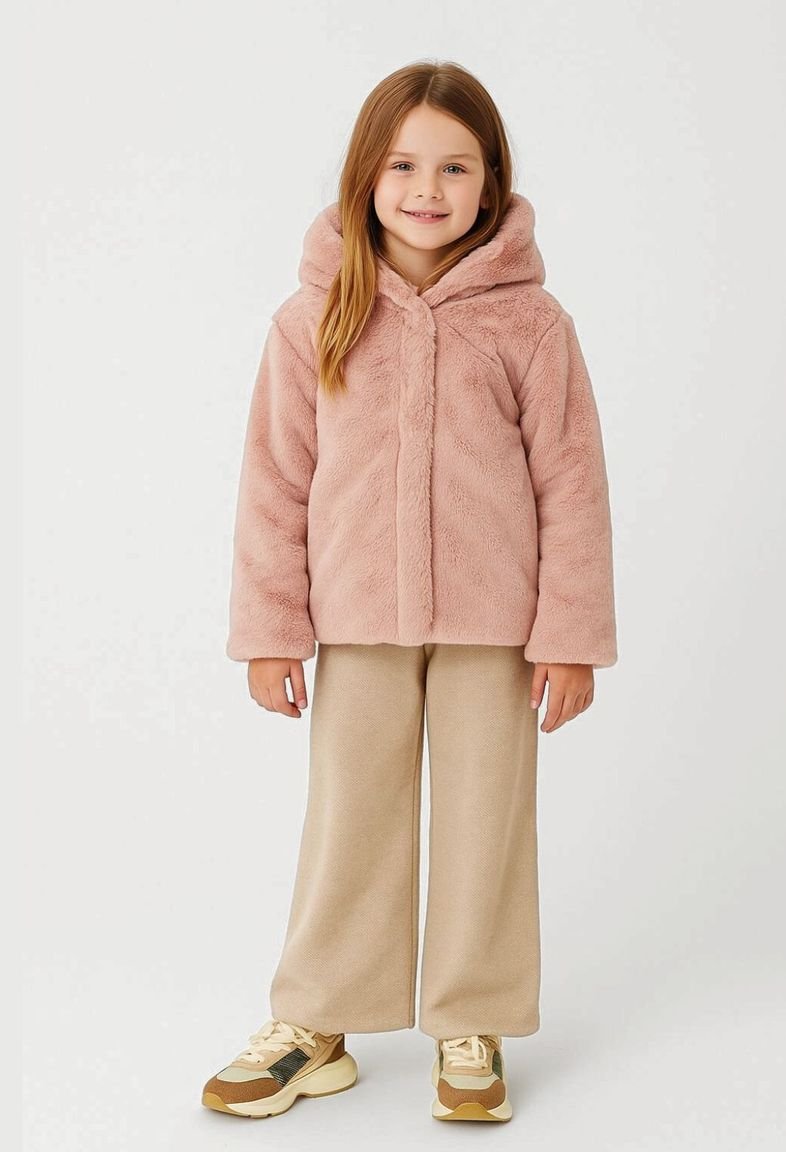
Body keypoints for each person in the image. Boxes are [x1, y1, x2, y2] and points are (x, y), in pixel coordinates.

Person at [201, 59, 618, 1125]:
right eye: (401, 165)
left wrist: (569, 635)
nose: (427, 188)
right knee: (350, 819)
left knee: (485, 822)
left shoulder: (531, 324)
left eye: (453, 167)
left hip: (496, 630)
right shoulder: (313, 317)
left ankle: (470, 1020)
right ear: (364, 175)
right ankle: (317, 1021)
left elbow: (571, 483)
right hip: (355, 624)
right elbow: (275, 480)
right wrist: (270, 630)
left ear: (491, 182)